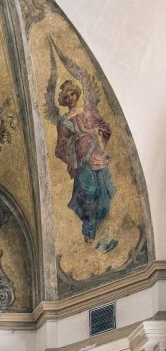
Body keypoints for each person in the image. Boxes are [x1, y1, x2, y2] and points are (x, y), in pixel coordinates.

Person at [54, 78, 116, 247]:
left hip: (96, 155)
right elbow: (59, 147)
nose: (70, 98)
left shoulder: (88, 112)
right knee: (88, 192)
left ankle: (99, 226)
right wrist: (72, 158)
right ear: (63, 100)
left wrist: (96, 136)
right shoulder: (64, 122)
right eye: (66, 96)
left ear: (77, 93)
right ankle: (88, 228)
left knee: (103, 191)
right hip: (81, 162)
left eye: (72, 93)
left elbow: (105, 128)